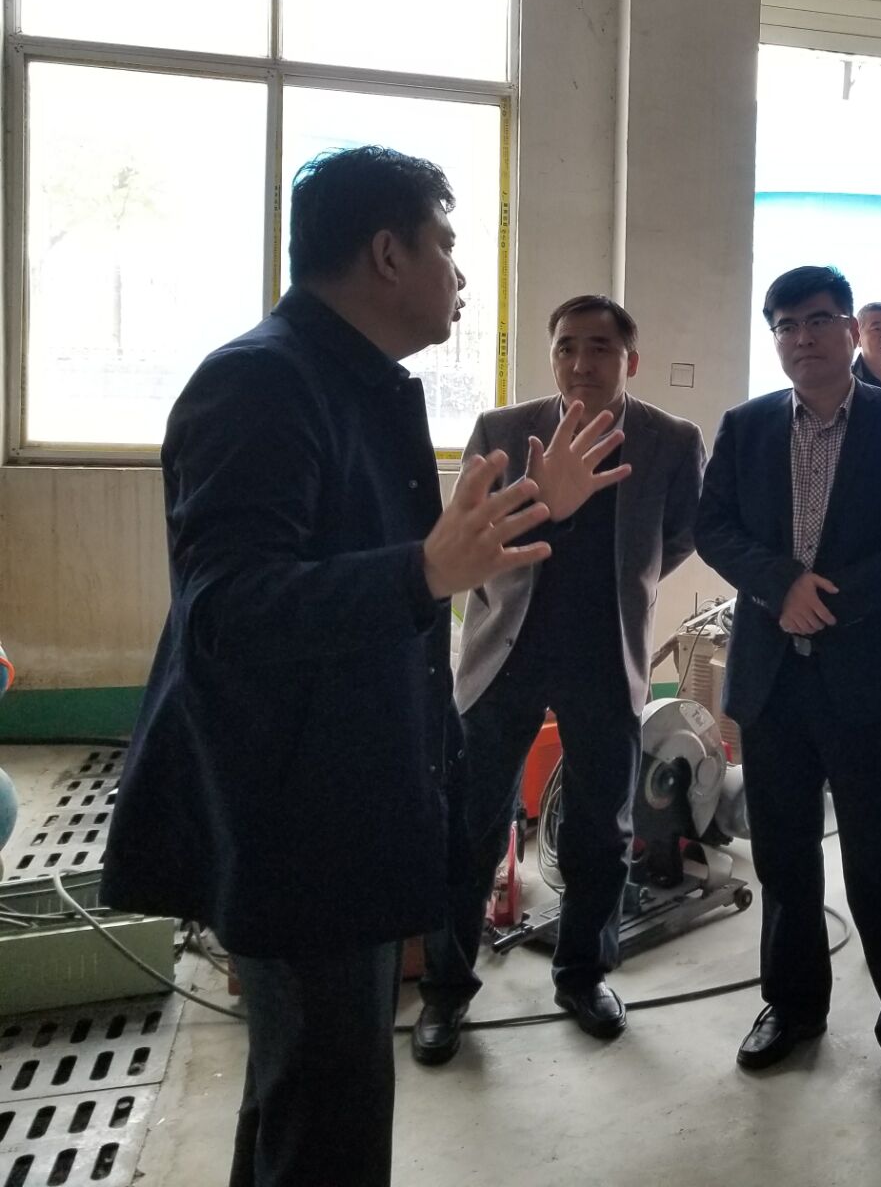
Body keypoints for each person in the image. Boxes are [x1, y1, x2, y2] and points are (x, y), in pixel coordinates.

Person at [99, 146, 605, 1187]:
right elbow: (227, 611)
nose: (461, 274)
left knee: (303, 1100)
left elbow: (380, 562)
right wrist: (422, 573)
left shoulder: (346, 380)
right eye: (447, 245)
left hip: (343, 805)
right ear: (387, 253)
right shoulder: (261, 383)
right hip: (298, 826)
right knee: (328, 1122)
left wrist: (524, 515)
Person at [412, 294, 706, 1063]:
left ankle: (582, 974)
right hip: (506, 651)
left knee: (602, 830)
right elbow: (467, 532)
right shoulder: (504, 431)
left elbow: (679, 535)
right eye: (567, 346)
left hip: (605, 655)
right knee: (471, 825)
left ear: (630, 360)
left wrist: (629, 587)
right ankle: (445, 989)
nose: (581, 363)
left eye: (600, 347)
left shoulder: (671, 440)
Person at [694, 265, 881, 1113]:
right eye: (784, 325)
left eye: (815, 320)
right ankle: (793, 1007)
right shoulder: (747, 425)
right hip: (772, 683)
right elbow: (712, 526)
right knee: (783, 856)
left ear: (849, 330)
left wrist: (830, 599)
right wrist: (780, 585)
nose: (800, 337)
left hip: (865, 680)